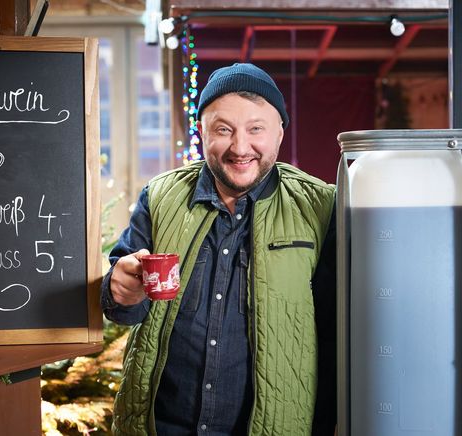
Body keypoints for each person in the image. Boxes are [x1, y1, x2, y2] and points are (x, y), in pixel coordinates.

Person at [101, 63, 336, 435]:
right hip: (159, 426)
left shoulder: (320, 208)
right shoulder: (161, 197)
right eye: (223, 130)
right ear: (202, 132)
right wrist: (120, 291)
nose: (240, 147)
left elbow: (336, 333)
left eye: (255, 128)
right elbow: (124, 302)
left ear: (279, 133)